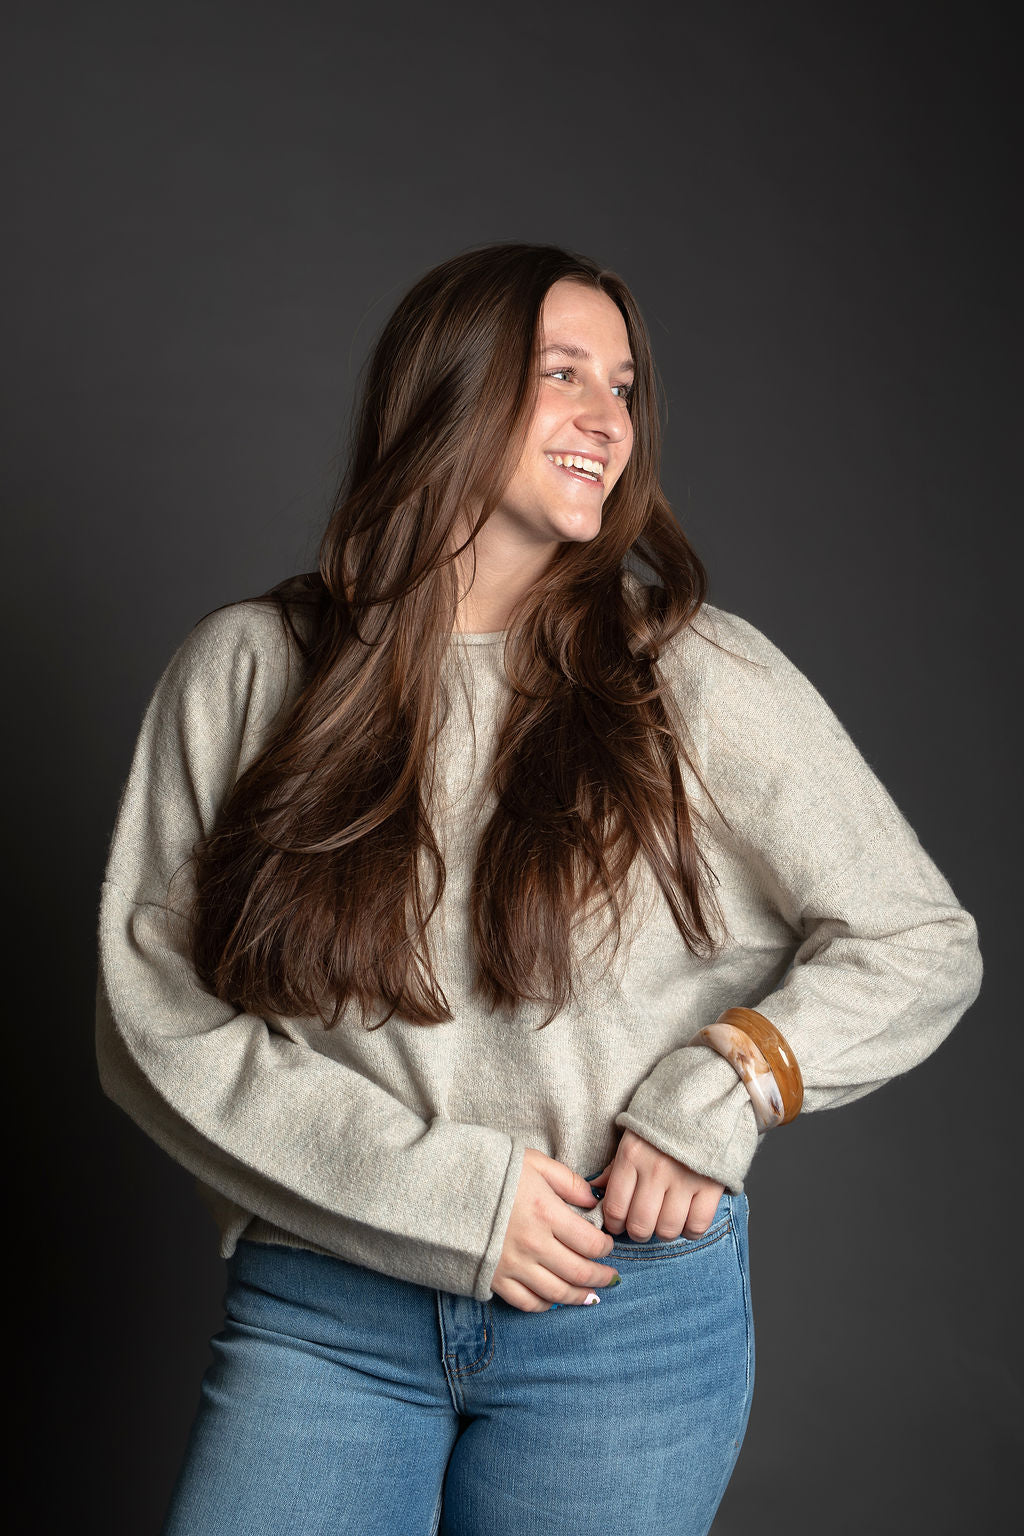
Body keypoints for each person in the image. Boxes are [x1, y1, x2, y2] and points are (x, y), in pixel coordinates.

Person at [94, 242, 983, 1536]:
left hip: (618, 1312)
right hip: (327, 1303)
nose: (608, 419)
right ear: (444, 391)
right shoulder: (249, 669)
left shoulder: (691, 673)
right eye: (562, 373)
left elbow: (920, 939)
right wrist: (450, 1197)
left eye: (623, 386)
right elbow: (153, 1017)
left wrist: (726, 1085)